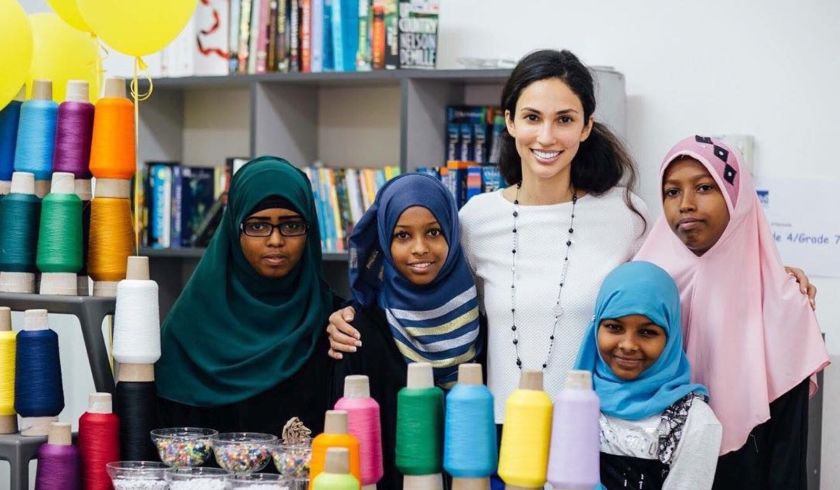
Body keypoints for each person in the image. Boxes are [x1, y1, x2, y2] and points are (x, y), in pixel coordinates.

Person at [635, 136, 830, 489]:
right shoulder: (643, 286)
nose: (686, 204)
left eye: (705, 187)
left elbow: (788, 451)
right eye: (672, 191)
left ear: (737, 198)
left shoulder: (783, 305)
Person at [156, 156, 337, 435]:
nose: (275, 240)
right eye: (257, 225)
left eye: (291, 225)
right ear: (233, 230)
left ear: (309, 230)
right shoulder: (187, 329)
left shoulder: (335, 327)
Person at [332, 173, 482, 490]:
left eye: (433, 232)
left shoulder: (481, 316)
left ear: (453, 235)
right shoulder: (359, 328)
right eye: (402, 236)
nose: (419, 248)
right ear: (385, 239)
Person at [575, 261, 721, 490]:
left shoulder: (693, 421)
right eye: (614, 327)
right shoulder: (575, 404)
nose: (628, 345)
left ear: (671, 337)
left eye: (647, 332)